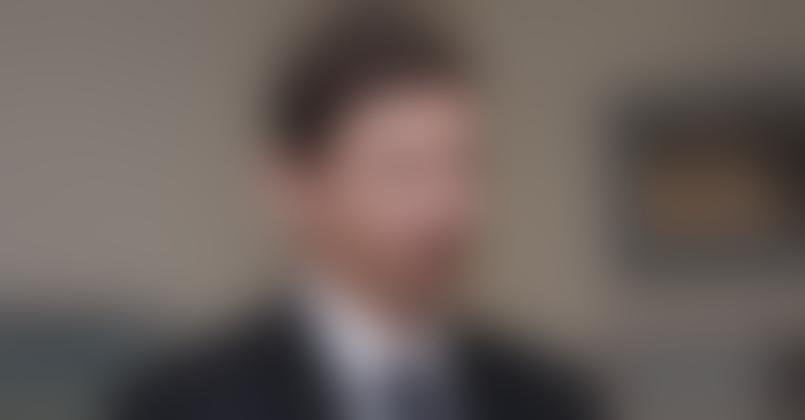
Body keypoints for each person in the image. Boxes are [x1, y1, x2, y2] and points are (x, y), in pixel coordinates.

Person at [117, 6, 600, 420]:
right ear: (295, 188)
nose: (446, 207)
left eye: (464, 165)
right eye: (402, 170)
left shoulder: (550, 398)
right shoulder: (187, 403)